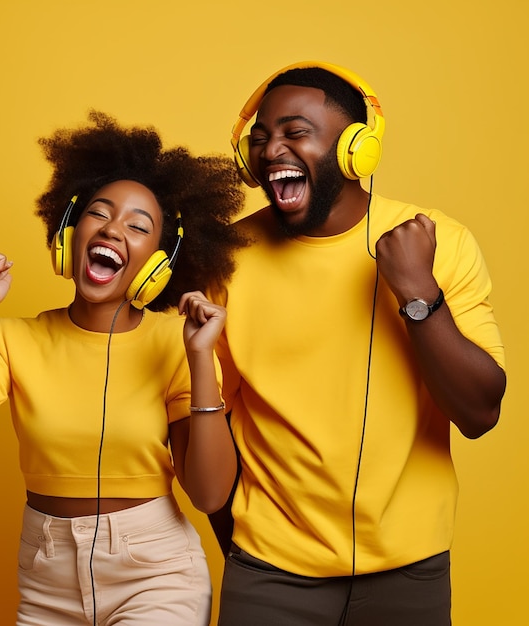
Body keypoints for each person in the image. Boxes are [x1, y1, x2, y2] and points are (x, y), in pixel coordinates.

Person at [0, 111, 246, 626]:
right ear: (69, 231)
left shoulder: (174, 342)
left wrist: (201, 358)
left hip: (154, 571)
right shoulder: (11, 339)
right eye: (98, 213)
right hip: (46, 576)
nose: (113, 228)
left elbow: (208, 493)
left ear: (157, 261)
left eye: (138, 226)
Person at [210, 61, 507, 626]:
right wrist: (246, 548)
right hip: (268, 570)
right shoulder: (227, 259)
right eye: (262, 137)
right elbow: (202, 418)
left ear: (357, 150)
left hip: (411, 571)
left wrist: (418, 292)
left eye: (296, 133)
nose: (273, 150)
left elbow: (479, 412)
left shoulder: (439, 243)